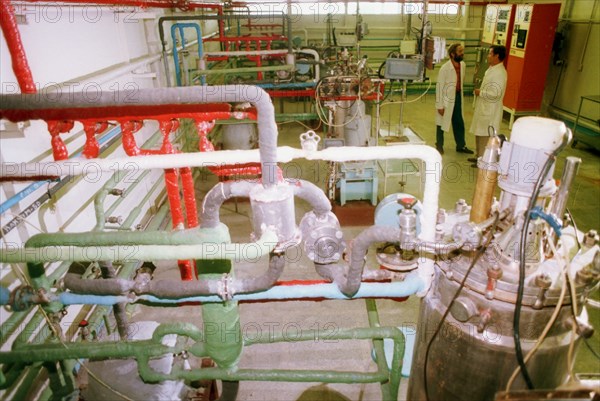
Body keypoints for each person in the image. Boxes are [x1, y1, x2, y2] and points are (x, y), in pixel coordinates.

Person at [469, 45, 508, 164]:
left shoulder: (500, 73)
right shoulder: (491, 69)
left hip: (491, 110)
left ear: (497, 56)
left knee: (485, 135)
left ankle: (483, 159)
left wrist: (481, 92)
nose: (488, 56)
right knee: (479, 132)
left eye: (490, 54)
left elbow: (496, 93)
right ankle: (478, 156)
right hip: (484, 107)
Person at [435, 43, 474, 155]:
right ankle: (439, 145)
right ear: (452, 54)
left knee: (459, 122)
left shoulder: (463, 65)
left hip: (457, 96)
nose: (462, 54)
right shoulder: (445, 68)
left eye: (463, 51)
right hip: (446, 99)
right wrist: (439, 105)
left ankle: (461, 145)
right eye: (460, 51)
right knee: (441, 123)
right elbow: (439, 87)